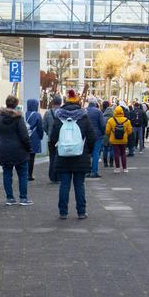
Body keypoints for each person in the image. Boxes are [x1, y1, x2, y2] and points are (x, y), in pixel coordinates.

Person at [51, 89, 97, 219]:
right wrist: (86, 149)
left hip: (63, 157)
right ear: (78, 102)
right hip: (80, 156)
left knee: (64, 185)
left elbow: (53, 137)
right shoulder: (83, 117)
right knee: (79, 185)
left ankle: (63, 212)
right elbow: (92, 137)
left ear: (64, 102)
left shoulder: (59, 117)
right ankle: (81, 212)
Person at [0, 95, 32, 206]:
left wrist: (2, 142)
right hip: (19, 150)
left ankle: (9, 198)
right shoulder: (18, 118)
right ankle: (23, 198)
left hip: (4, 149)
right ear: (16, 104)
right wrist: (28, 147)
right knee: (23, 174)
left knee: (7, 173)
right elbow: (24, 136)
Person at [105, 106, 133, 173]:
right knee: (123, 153)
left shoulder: (111, 120)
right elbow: (130, 131)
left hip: (114, 140)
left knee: (116, 153)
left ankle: (117, 168)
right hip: (123, 139)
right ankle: (125, 168)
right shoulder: (127, 120)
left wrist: (111, 135)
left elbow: (107, 131)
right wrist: (125, 134)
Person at [42, 94, 62, 183]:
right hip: (61, 139)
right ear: (60, 103)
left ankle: (52, 176)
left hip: (51, 139)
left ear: (52, 103)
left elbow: (43, 126)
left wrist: (49, 133)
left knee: (52, 157)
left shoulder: (47, 113)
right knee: (60, 158)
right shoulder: (63, 112)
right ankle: (59, 176)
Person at [25, 98, 44, 181]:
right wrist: (41, 136)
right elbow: (40, 127)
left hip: (25, 137)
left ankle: (24, 174)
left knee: (25, 156)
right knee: (32, 157)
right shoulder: (37, 115)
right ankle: (29, 175)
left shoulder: (24, 114)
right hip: (34, 137)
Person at [86, 98, 105, 178]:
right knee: (96, 153)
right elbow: (103, 125)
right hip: (97, 135)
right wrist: (102, 133)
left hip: (86, 135)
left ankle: (87, 171)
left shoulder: (84, 111)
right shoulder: (98, 111)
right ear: (95, 103)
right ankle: (94, 171)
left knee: (86, 154)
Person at [101, 100, 116, 166]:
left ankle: (105, 162)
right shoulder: (113, 118)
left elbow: (101, 126)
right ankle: (111, 162)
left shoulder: (103, 117)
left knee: (105, 148)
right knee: (112, 148)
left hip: (105, 134)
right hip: (112, 134)